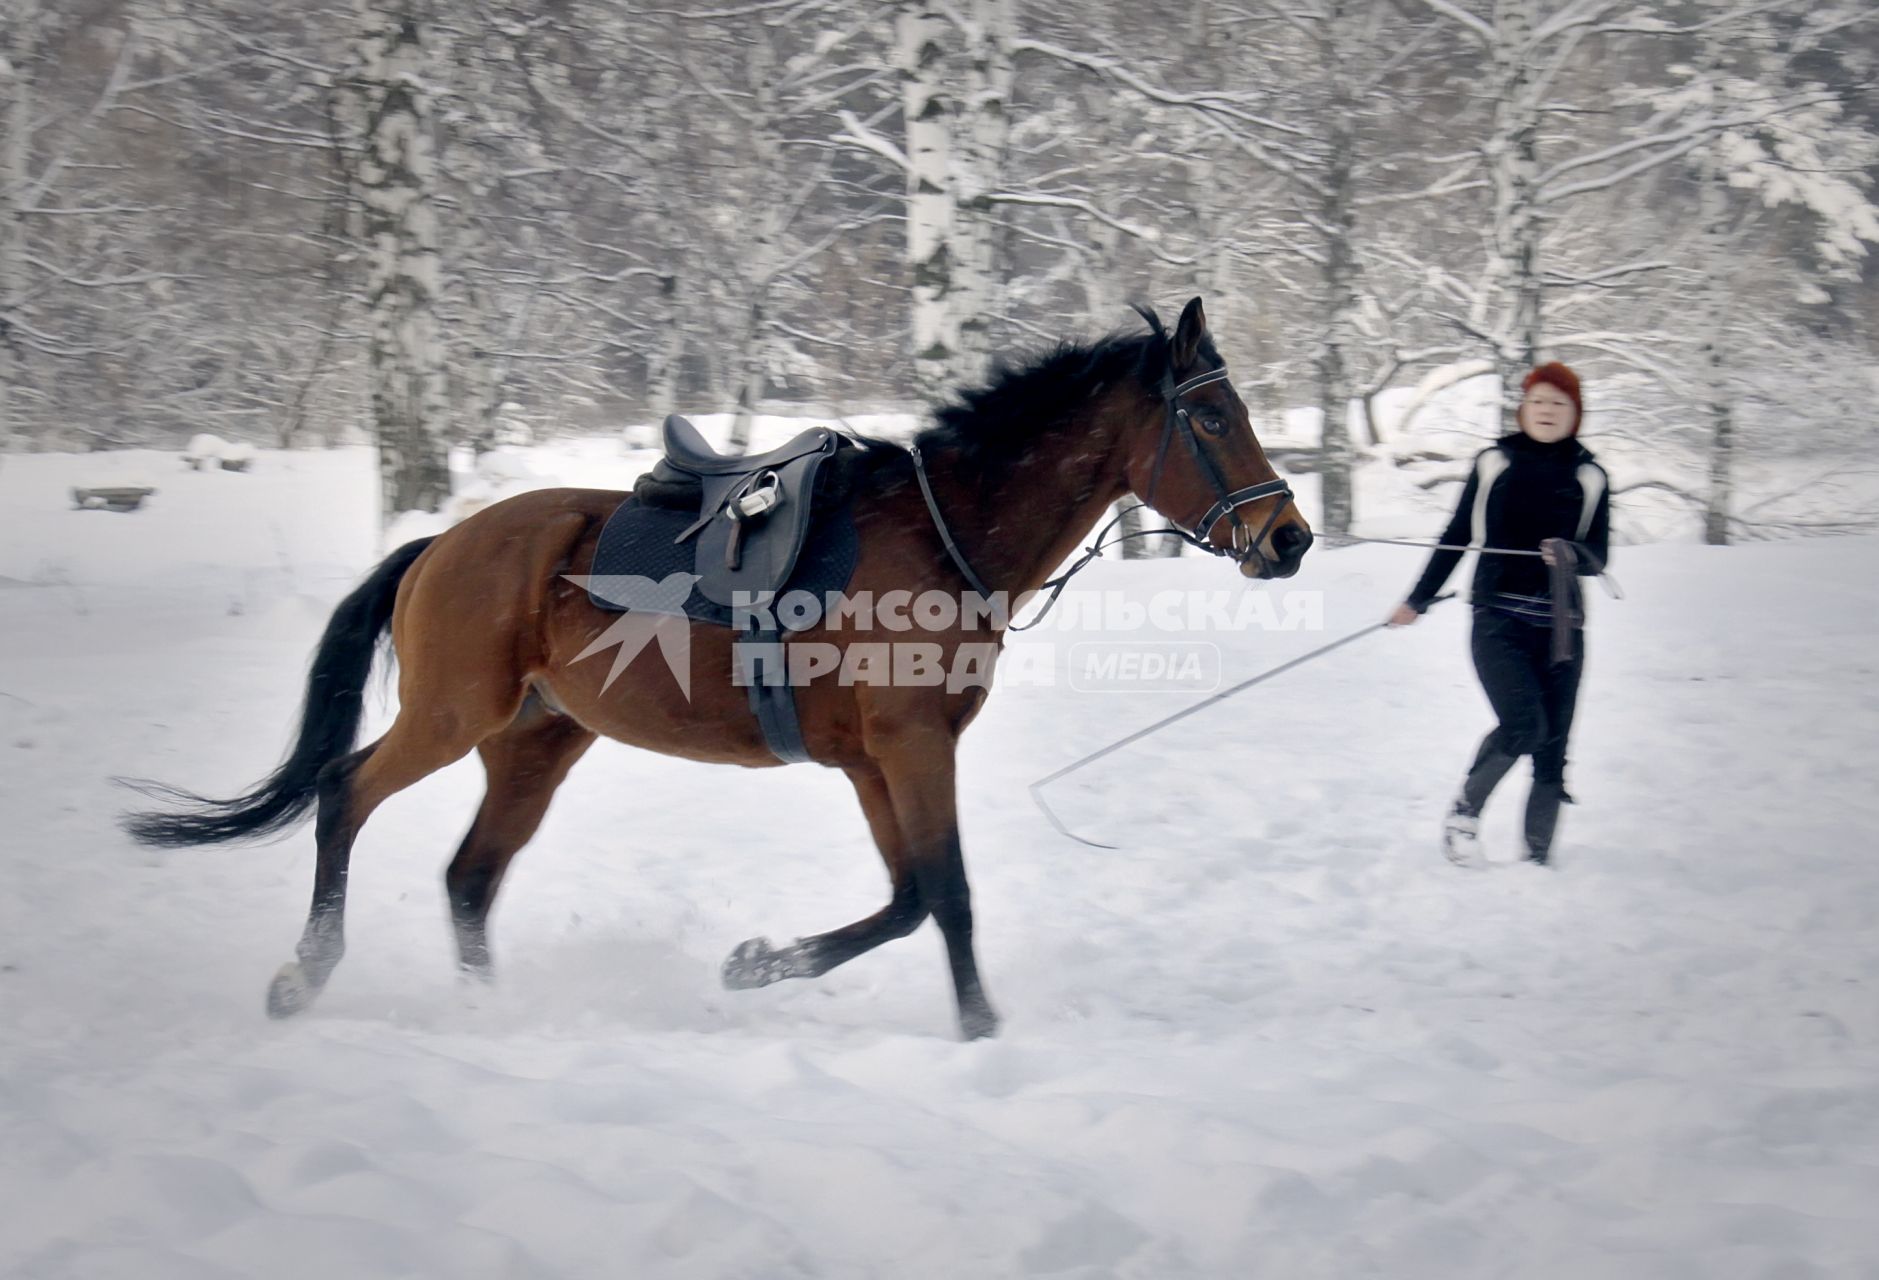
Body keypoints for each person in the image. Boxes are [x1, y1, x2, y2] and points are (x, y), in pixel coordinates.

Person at [1386, 362, 1611, 867]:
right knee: (1523, 725)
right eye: (1539, 402)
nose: (1548, 411)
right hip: (1498, 620)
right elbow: (1456, 536)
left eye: (1560, 403)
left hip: (1563, 630)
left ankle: (1538, 861)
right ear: (1522, 409)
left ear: (1576, 414)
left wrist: (1574, 555)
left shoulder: (1590, 475)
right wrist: (1417, 599)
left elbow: (1600, 554)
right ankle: (1462, 819)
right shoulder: (1495, 463)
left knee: (1553, 748)